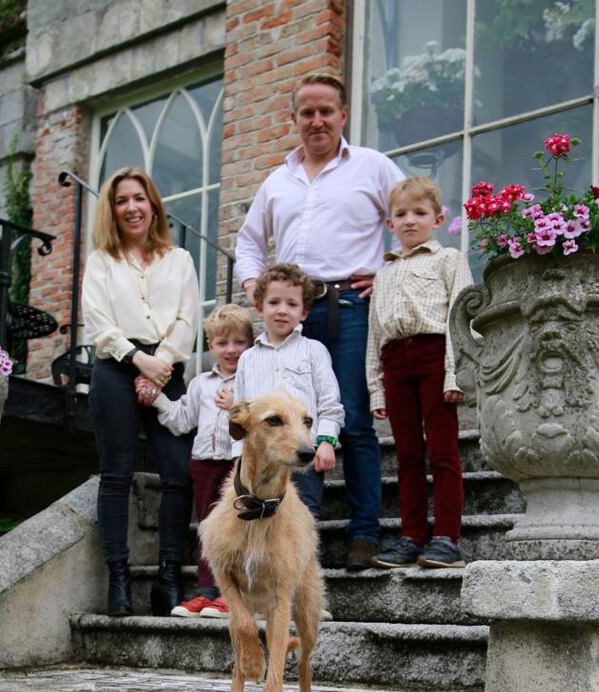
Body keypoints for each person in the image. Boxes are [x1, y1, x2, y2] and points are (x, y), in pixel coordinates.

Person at [235, 71, 405, 571]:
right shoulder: (276, 181)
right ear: (294, 119)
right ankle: (294, 533)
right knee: (288, 424)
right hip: (293, 317)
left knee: (349, 420)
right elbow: (248, 243)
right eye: (306, 112)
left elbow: (411, 216)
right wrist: (253, 286)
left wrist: (392, 271)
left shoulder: (372, 167)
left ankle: (364, 534)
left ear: (343, 115)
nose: (316, 120)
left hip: (351, 307)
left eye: (326, 111)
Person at [82, 166, 200, 616]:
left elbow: (189, 317)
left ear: (153, 205)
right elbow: (99, 323)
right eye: (121, 200)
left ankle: (168, 577)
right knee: (117, 475)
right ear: (112, 210)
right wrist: (138, 360)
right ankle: (119, 579)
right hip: (116, 369)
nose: (132, 207)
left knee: (179, 472)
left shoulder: (180, 259)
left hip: (167, 368)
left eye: (139, 198)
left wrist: (162, 363)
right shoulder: (101, 261)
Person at [366, 176, 473, 568]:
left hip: (433, 354)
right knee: (408, 456)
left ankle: (446, 538)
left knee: (443, 452)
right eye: (401, 214)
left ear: (438, 218)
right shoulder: (384, 273)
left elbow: (460, 319)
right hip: (396, 361)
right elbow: (374, 336)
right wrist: (376, 390)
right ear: (390, 224)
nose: (411, 220)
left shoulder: (449, 259)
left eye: (420, 212)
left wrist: (453, 375)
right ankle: (412, 535)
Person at [141, 304, 254, 619]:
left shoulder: (254, 381)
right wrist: (158, 399)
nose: (230, 350)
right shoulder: (201, 383)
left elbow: (265, 421)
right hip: (204, 465)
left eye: (238, 342)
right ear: (211, 347)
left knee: (240, 528)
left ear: (250, 343)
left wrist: (240, 406)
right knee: (208, 529)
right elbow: (181, 420)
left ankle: (237, 593)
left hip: (239, 466)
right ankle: (208, 591)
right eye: (222, 343)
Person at [234, 264, 344, 518]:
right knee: (258, 520)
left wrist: (326, 441)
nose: (282, 310)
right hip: (261, 460)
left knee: (301, 518)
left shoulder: (314, 351)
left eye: (292, 304)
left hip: (303, 454)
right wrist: (236, 456)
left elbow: (330, 404)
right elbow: (241, 412)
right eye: (274, 302)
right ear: (259, 308)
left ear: (304, 312)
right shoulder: (248, 358)